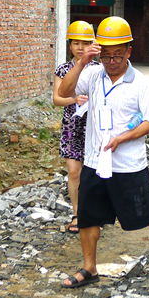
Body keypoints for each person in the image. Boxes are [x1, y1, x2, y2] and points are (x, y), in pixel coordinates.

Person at [57, 16, 149, 288]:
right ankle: (89, 267)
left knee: (147, 214)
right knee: (88, 217)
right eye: (106, 55)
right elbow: (64, 92)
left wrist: (122, 138)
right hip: (94, 160)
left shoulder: (139, 83)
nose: (112, 61)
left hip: (128, 164)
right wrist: (81, 62)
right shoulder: (92, 74)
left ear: (129, 51)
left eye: (118, 54)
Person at [53, 20, 96, 234]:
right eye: (76, 43)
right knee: (74, 171)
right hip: (72, 125)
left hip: (94, 126)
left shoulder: (99, 69)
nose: (80, 47)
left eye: (85, 43)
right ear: (70, 45)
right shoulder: (63, 69)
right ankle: (77, 213)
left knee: (93, 172)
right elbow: (56, 99)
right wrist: (74, 100)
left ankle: (94, 212)